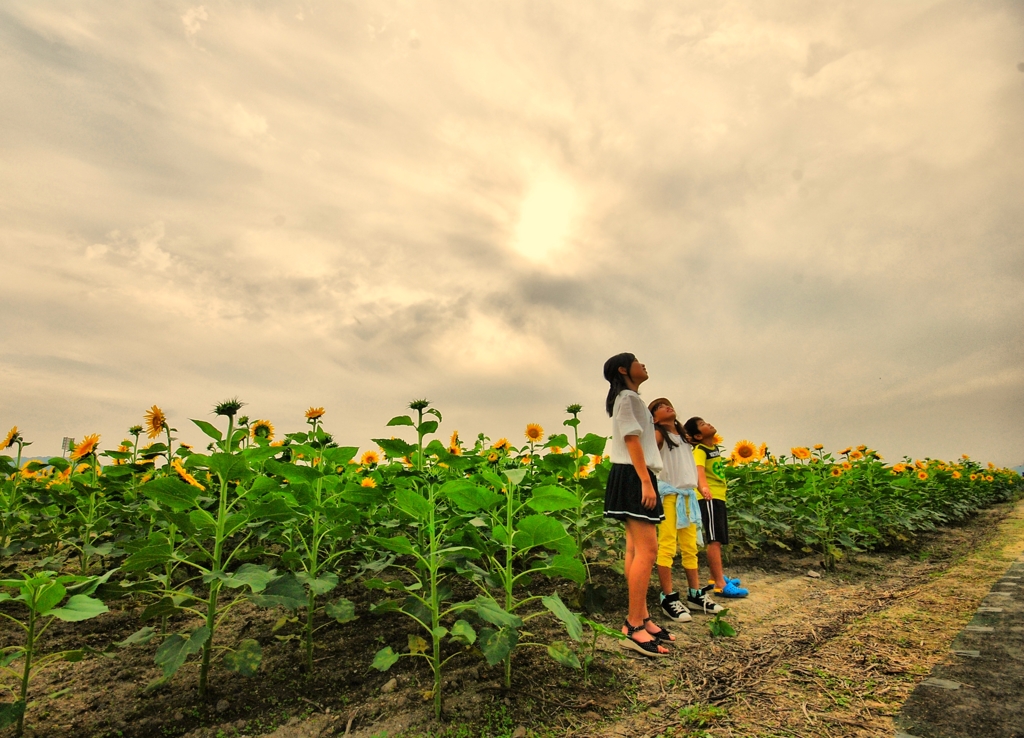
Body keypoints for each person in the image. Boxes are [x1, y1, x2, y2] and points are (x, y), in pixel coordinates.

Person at [603, 353, 672, 657]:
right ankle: (632, 626)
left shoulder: (629, 398)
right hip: (634, 474)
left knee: (635, 549)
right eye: (636, 361)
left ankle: (642, 616)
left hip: (632, 472)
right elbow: (632, 440)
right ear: (623, 369)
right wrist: (645, 481)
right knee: (648, 550)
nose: (643, 364)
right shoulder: (628, 398)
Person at [647, 398, 725, 619]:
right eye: (660, 407)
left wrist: (701, 486)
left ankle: (695, 594)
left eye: (668, 404)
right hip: (670, 496)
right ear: (653, 418)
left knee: (690, 547)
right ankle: (668, 597)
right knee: (668, 546)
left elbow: (689, 465)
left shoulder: (683, 438)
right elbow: (648, 456)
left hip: (688, 496)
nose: (667, 407)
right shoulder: (659, 435)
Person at [681, 416, 749, 598]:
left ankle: (715, 577)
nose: (708, 424)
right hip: (709, 497)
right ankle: (720, 584)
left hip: (718, 496)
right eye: (702, 425)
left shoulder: (713, 448)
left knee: (718, 537)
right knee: (714, 540)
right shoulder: (700, 450)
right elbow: (698, 470)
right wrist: (703, 488)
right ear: (697, 436)